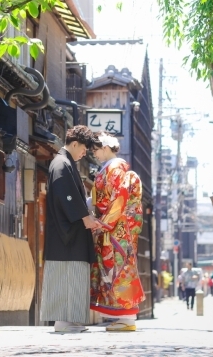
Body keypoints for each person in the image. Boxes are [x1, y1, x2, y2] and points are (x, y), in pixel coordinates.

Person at [39, 125, 101, 333]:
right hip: (66, 237)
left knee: (73, 277)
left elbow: (72, 198)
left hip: (70, 235)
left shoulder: (65, 163)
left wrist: (86, 214)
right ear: (74, 144)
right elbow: (65, 196)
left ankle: (70, 320)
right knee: (67, 276)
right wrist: (84, 217)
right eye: (83, 148)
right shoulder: (61, 164)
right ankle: (64, 322)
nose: (85, 153)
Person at [88, 132, 145, 332]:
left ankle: (127, 316)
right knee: (112, 270)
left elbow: (119, 198)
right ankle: (121, 315)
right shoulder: (110, 168)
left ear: (105, 147)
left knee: (120, 269)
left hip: (116, 228)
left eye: (95, 150)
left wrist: (103, 223)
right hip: (113, 226)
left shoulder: (116, 168)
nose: (93, 153)